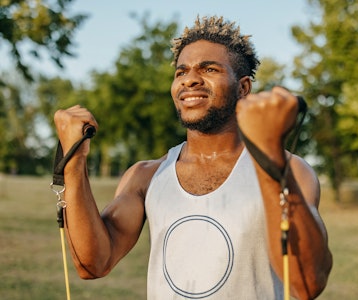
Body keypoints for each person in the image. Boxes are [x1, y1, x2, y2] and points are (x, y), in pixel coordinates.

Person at [54, 15, 332, 300]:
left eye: (209, 69)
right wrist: (74, 162)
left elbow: (306, 283)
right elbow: (93, 264)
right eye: (181, 72)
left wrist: (271, 156)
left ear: (244, 88)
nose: (190, 80)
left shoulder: (291, 170)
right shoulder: (146, 176)